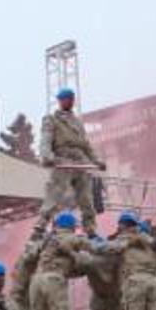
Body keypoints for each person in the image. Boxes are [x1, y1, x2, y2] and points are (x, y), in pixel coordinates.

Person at [28, 211, 96, 310]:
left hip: (36, 281)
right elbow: (93, 247)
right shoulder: (71, 238)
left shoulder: (46, 240)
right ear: (72, 226)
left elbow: (30, 255)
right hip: (54, 281)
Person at [37, 87, 106, 236]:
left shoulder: (78, 123)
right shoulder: (52, 119)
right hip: (62, 161)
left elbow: (86, 145)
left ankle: (90, 229)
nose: (70, 101)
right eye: (67, 98)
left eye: (72, 98)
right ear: (60, 101)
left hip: (79, 162)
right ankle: (41, 225)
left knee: (86, 199)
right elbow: (45, 140)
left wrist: (97, 161)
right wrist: (47, 156)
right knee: (55, 194)